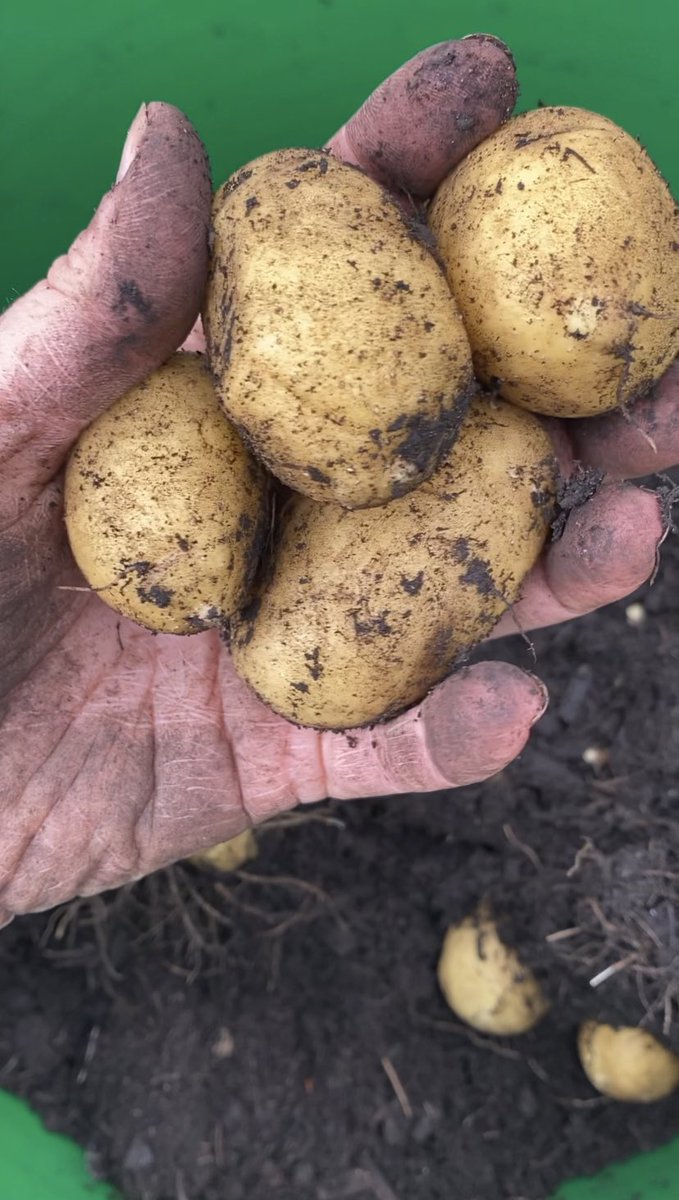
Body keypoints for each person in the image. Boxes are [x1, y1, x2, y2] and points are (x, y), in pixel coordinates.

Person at [1, 37, 677, 928]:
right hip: (368, 451)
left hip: (419, 431)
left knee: (526, 409)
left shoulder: (474, 417)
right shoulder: (365, 408)